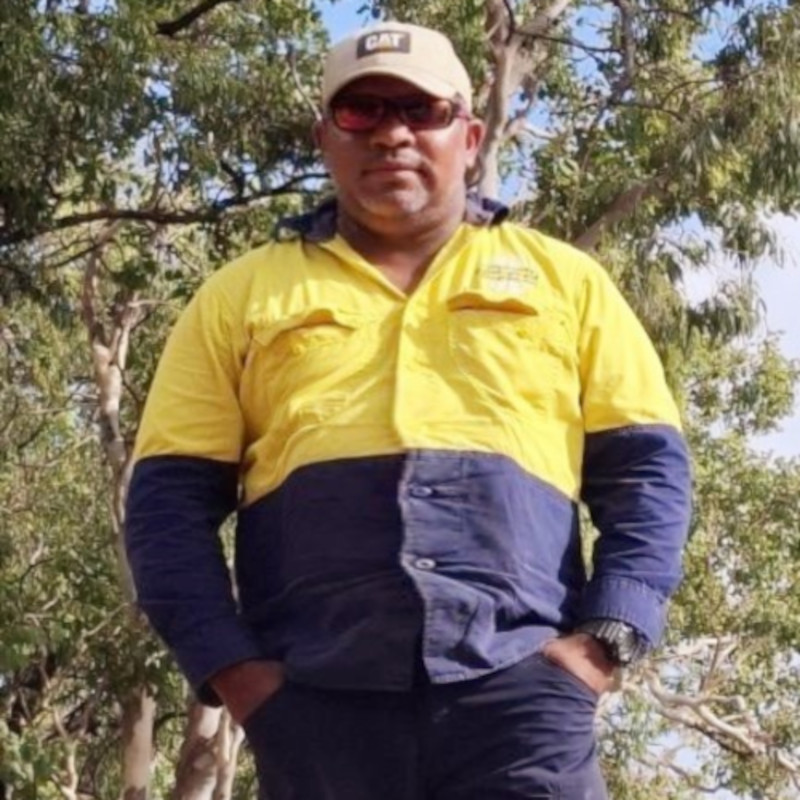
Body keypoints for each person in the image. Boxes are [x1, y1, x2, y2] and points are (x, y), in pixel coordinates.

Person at [125, 20, 692, 800]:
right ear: (324, 138)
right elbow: (167, 503)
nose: (391, 134)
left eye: (421, 111)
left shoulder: (566, 283)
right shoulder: (240, 296)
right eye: (361, 111)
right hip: (315, 709)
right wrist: (236, 672)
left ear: (470, 136)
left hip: (523, 701)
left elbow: (648, 474)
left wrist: (604, 642)